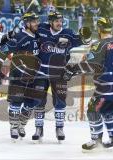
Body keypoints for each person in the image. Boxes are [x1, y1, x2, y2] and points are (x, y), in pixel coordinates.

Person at [63, 17, 113, 150]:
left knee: (93, 110)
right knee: (108, 111)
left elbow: (90, 65)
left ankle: (96, 140)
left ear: (99, 29)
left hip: (106, 86)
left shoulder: (100, 44)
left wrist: (72, 70)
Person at [32, 11, 92, 142]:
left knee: (60, 102)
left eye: (61, 21)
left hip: (59, 74)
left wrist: (86, 35)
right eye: (57, 21)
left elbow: (84, 41)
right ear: (50, 22)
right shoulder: (41, 29)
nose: (60, 23)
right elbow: (29, 32)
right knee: (39, 101)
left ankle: (59, 128)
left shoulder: (68, 33)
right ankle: (38, 128)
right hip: (41, 73)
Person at [0, 12, 41, 140]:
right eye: (34, 21)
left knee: (31, 103)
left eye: (37, 21)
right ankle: (14, 126)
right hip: (18, 74)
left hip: (33, 75)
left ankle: (21, 123)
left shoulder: (38, 36)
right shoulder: (19, 37)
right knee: (16, 102)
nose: (37, 23)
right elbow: (3, 50)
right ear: (27, 24)